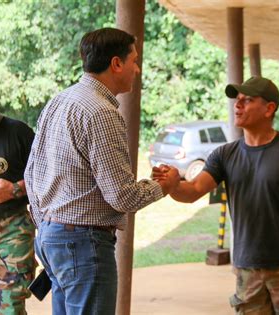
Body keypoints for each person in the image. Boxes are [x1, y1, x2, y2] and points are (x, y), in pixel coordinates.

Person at [24, 28, 180, 314]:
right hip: (82, 244)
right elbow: (122, 196)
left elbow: (32, 173)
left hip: (52, 236)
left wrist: (46, 226)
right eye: (134, 60)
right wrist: (164, 186)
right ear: (116, 63)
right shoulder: (101, 112)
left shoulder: (60, 100)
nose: (137, 68)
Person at [154, 76, 279, 314]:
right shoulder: (224, 155)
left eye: (247, 100)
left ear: (269, 108)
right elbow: (193, 190)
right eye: (237, 100)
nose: (238, 105)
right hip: (247, 270)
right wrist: (172, 184)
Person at [0, 112, 36, 314]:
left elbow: (49, 177)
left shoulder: (18, 133)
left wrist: (14, 189)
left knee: (8, 306)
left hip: (11, 231)